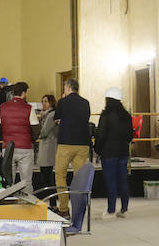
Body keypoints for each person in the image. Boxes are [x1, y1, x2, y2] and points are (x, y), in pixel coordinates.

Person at [51, 78, 91, 216]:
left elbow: (56, 117)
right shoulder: (86, 103)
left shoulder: (63, 101)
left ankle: (64, 208)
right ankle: (79, 210)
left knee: (60, 175)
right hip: (83, 144)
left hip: (66, 143)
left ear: (67, 88)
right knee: (79, 178)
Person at [94, 87, 135, 218]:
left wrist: (97, 149)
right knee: (123, 180)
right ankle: (124, 209)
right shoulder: (126, 116)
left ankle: (111, 210)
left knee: (111, 182)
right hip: (123, 152)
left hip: (108, 153)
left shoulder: (106, 115)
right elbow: (130, 136)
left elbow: (100, 134)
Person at [0, 80, 38, 192]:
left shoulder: (1, 108)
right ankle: (28, 207)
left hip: (8, 148)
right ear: (24, 93)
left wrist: (5, 139)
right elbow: (35, 130)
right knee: (26, 182)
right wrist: (32, 141)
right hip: (25, 148)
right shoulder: (29, 108)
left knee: (9, 182)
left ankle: (11, 205)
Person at [35, 93, 58, 204]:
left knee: (48, 178)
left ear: (51, 103)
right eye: (42, 101)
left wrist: (35, 134)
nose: (43, 104)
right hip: (45, 147)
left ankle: (53, 203)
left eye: (46, 101)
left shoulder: (51, 114)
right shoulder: (45, 114)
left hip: (49, 148)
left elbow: (44, 132)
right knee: (45, 177)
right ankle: (51, 202)